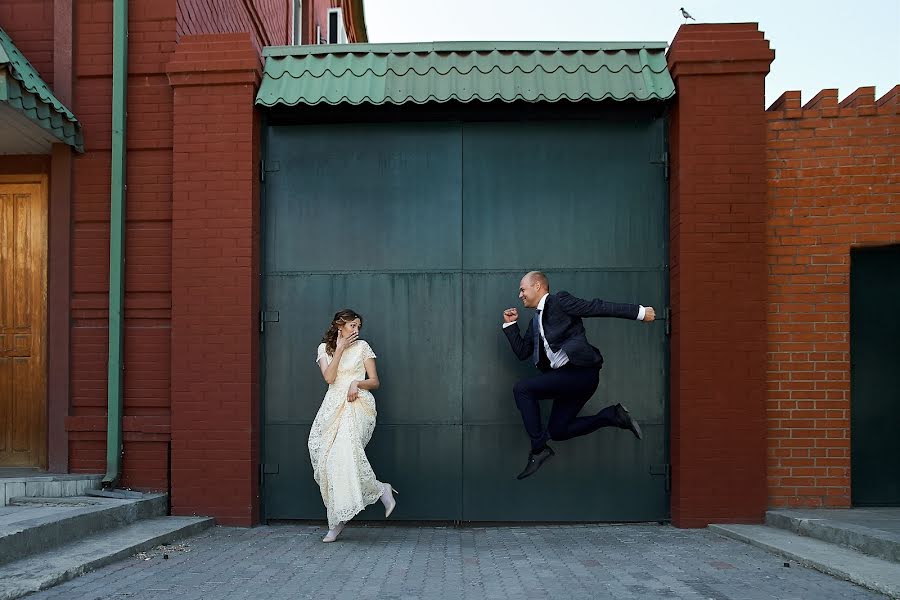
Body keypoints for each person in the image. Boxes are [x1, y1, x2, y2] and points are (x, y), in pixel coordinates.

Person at [501, 271, 655, 480]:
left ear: (537, 286)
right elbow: (522, 352)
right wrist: (510, 325)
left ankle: (538, 450)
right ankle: (611, 416)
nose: (520, 295)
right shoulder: (535, 323)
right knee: (558, 431)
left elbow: (596, 307)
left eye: (522, 289)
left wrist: (639, 312)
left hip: (581, 372)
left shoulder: (559, 301)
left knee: (522, 389)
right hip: (567, 381)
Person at [308, 309, 398, 542]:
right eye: (352, 326)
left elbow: (375, 381)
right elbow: (329, 378)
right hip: (332, 405)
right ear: (340, 326)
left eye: (358, 326)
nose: (356, 330)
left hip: (358, 403)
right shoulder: (324, 349)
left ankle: (337, 523)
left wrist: (357, 383)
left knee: (345, 454)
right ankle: (377, 491)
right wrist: (338, 349)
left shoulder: (363, 347)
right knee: (326, 461)